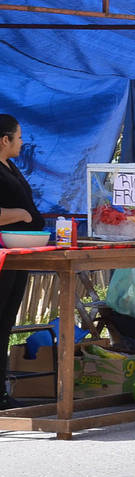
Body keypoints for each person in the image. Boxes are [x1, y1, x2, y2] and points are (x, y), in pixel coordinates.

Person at [0, 114, 45, 409]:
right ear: (4, 140)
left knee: (5, 322)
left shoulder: (9, 166)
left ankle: (1, 392)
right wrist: (21, 214)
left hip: (17, 256)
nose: (22, 141)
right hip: (2, 257)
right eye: (18, 137)